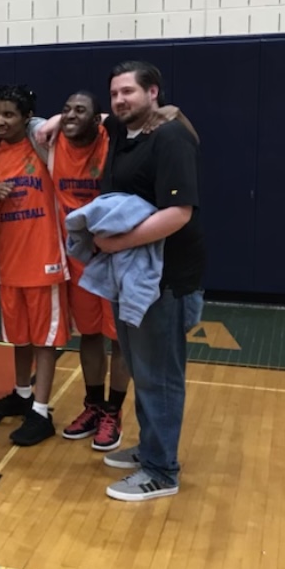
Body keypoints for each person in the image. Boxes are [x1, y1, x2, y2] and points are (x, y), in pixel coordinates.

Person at [52, 61, 205, 501]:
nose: (120, 100)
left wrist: (118, 243)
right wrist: (58, 121)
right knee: (140, 367)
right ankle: (151, 448)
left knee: (159, 374)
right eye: (115, 93)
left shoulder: (171, 138)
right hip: (131, 272)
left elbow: (178, 213)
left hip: (166, 277)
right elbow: (90, 115)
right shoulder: (123, 132)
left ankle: (161, 472)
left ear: (153, 92)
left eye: (129, 92)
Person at [0, 86, 69, 448]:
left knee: (45, 341)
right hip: (9, 259)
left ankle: (42, 411)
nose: (1, 121)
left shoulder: (41, 144)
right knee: (19, 336)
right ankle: (21, 393)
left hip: (44, 257)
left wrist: (33, 122)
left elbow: (51, 126)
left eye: (10, 115)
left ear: (26, 117)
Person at [50, 91, 130, 452]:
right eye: (65, 109)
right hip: (78, 259)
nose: (69, 115)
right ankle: (93, 405)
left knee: (120, 339)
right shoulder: (51, 143)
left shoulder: (112, 138)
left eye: (79, 110)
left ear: (96, 117)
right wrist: (56, 119)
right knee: (90, 336)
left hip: (115, 256)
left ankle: (114, 411)